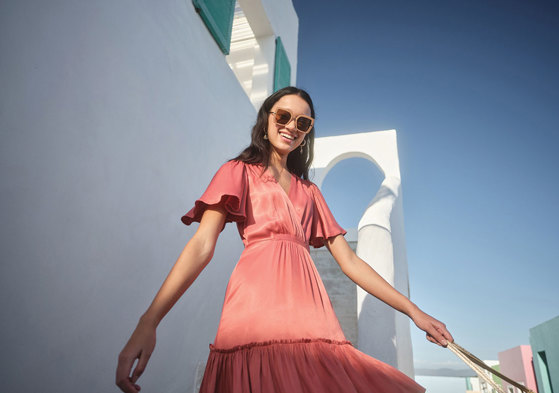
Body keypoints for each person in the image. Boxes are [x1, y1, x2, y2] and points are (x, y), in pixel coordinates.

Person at [116, 86, 454, 393]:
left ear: (307, 133)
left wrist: (413, 311)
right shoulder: (237, 171)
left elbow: (350, 263)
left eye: (303, 122)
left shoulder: (311, 192)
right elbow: (202, 246)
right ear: (266, 120)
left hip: (311, 313)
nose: (291, 126)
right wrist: (149, 321)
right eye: (283, 116)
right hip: (253, 310)